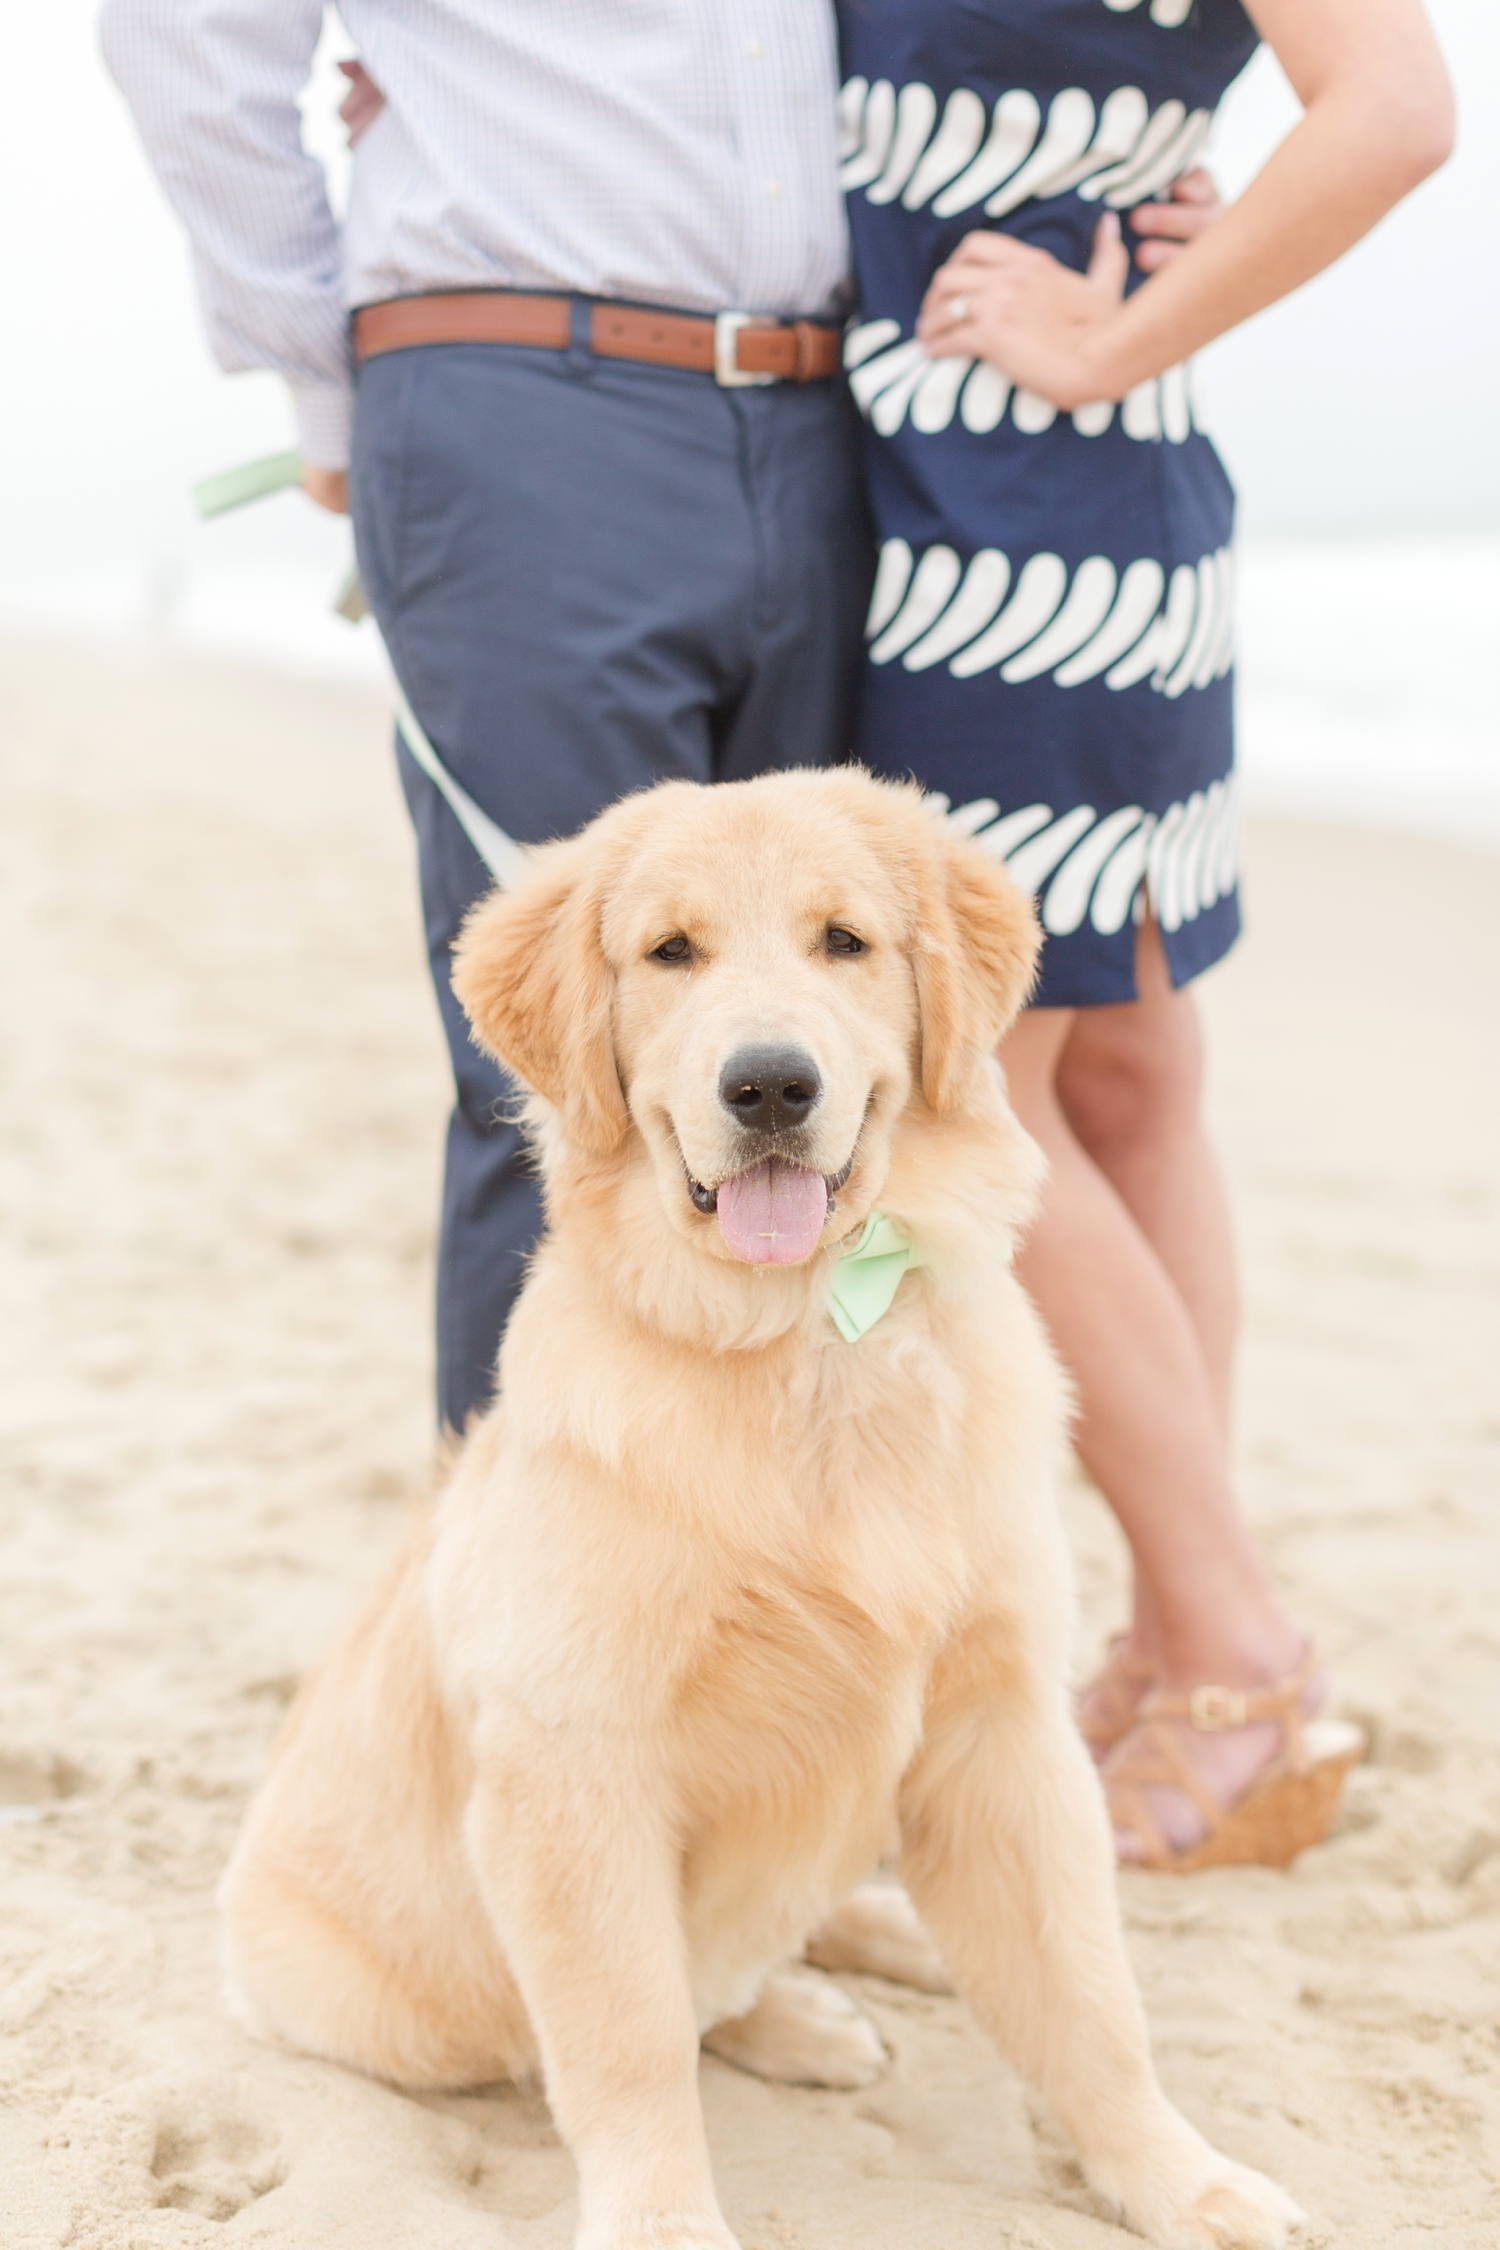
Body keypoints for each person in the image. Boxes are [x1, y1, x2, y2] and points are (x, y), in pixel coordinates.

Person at [836, 0, 1453, 1866]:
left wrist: (1109, 337)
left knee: (990, 1108)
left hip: (1014, 529)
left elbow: (1399, 108)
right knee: (1125, 1074)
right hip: (1047, 500)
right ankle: (1182, 1626)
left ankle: (1234, 1642)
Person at [100, 0, 878, 1437]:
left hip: (844, 417)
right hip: (526, 399)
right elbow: (186, 30)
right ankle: (531, 1618)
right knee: (562, 1065)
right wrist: (323, 378)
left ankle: (776, 1569)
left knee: (833, 1048)